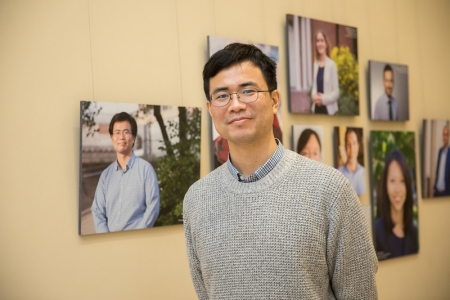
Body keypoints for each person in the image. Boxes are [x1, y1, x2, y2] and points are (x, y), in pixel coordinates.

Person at [183, 43, 377, 299]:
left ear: (274, 100)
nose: (236, 104)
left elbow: (359, 292)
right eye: (222, 96)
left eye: (248, 91)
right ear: (210, 110)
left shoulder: (329, 189)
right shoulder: (197, 200)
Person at [91, 112, 160, 233]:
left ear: (133, 138)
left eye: (126, 132)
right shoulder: (105, 176)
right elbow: (97, 211)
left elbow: (153, 207)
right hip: (110, 245)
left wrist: (136, 236)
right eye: (117, 132)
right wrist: (106, 238)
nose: (121, 137)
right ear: (112, 138)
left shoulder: (145, 170)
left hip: (137, 243)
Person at [375, 149, 419, 260]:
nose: (398, 189)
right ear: (385, 186)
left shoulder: (414, 231)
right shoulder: (376, 232)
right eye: (392, 181)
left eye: (402, 180)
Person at [311, 30, 340, 115]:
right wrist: (314, 97)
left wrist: (323, 99)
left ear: (326, 44)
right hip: (316, 109)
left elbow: (336, 92)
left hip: (328, 110)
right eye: (317, 41)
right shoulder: (315, 64)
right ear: (316, 45)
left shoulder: (332, 65)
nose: (319, 43)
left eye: (322, 40)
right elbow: (314, 87)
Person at [338, 128, 366, 194]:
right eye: (348, 144)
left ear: (358, 145)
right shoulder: (339, 173)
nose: (352, 148)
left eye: (354, 143)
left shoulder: (365, 173)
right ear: (345, 146)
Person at [434, 125, 450, 196]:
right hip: (437, 190)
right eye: (443, 134)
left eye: (446, 135)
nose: (445, 137)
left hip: (446, 192)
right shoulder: (440, 151)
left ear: (449, 136)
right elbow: (438, 170)